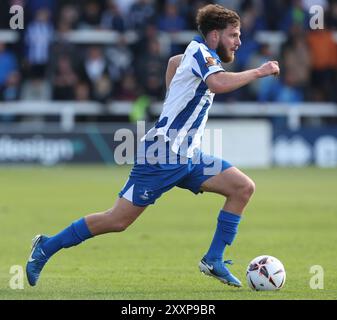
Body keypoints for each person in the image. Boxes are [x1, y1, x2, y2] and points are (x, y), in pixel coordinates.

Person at [26, 4, 279, 288]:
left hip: (190, 156)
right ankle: (46, 247)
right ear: (214, 35)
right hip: (162, 155)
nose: (238, 41)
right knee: (117, 220)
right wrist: (258, 72)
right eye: (233, 35)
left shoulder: (196, 55)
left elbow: (173, 62)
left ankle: (214, 259)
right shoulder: (200, 52)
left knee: (242, 188)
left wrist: (174, 100)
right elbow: (218, 83)